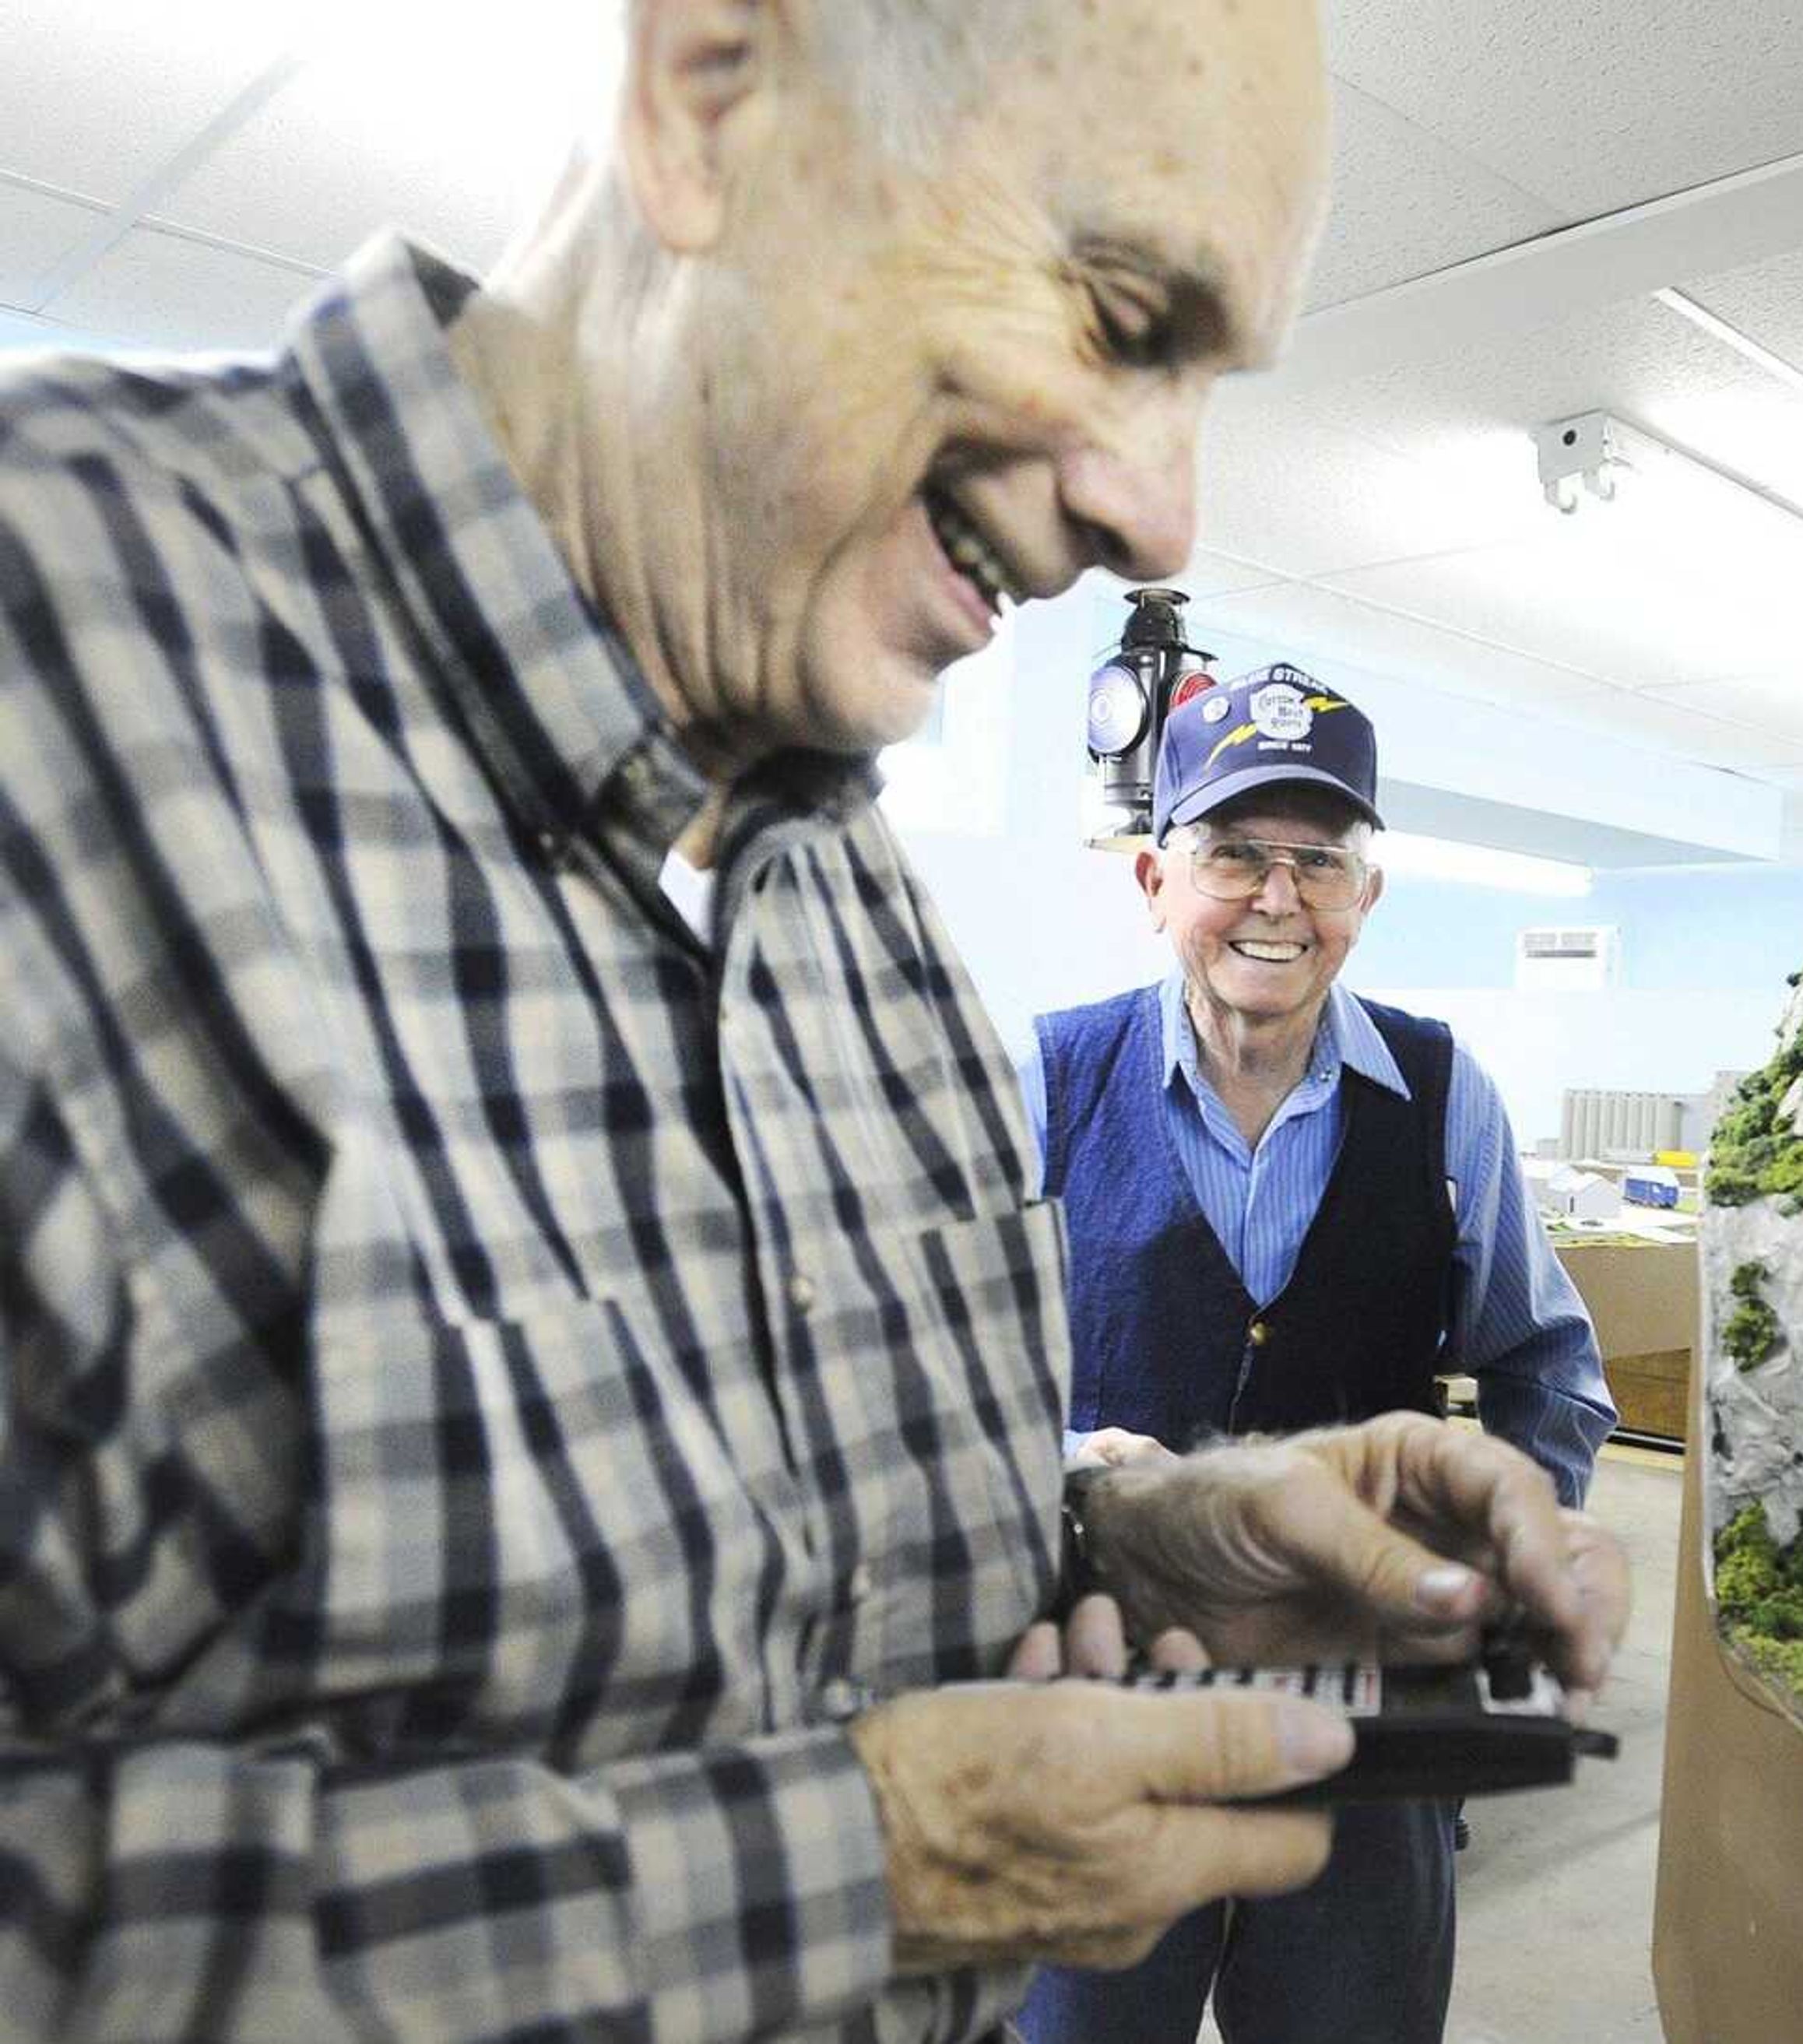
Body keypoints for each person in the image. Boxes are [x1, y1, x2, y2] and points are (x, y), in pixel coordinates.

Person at [0, 3, 1626, 2039]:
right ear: (714, 99)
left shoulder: (877, 941)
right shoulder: (49, 688)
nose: (1161, 518)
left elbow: (793, 1556)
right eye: (1123, 310)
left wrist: (1149, 1531)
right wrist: (848, 1873)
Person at [1018, 668, 1618, 2044]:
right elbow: (917, 1384)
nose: (1277, 899)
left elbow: (1550, 1372)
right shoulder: (1042, 1085)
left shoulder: (1445, 1097)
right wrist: (1070, 1472)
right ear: (1156, 877)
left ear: (1367, 892)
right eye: (1235, 853)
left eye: (1319, 861)